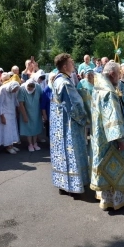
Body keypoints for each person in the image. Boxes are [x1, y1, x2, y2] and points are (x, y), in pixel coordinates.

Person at [90, 62, 124, 210]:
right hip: (111, 139)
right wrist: (120, 139)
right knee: (117, 166)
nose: (119, 77)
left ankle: (105, 198)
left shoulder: (98, 88)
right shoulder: (109, 92)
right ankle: (116, 200)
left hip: (99, 136)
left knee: (104, 165)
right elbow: (112, 118)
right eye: (119, 74)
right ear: (113, 74)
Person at [50, 53, 89, 196]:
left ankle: (63, 185)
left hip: (58, 125)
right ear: (65, 66)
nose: (73, 64)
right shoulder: (65, 83)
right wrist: (85, 118)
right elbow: (74, 105)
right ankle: (73, 187)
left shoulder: (57, 79)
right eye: (71, 63)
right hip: (69, 125)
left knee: (62, 154)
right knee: (71, 153)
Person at [18, 79, 43, 152]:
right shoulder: (22, 89)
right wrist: (24, 115)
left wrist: (42, 111)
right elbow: (21, 104)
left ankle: (35, 143)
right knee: (28, 127)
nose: (30, 89)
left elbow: (41, 98)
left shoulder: (38, 87)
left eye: (32, 88)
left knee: (35, 127)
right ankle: (30, 144)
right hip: (26, 110)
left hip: (36, 111)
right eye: (29, 88)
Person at [0, 81, 20, 154]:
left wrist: (16, 112)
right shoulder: (2, 90)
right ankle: (8, 146)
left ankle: (11, 145)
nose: (15, 91)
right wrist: (2, 117)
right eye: (14, 90)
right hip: (4, 113)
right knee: (7, 130)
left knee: (12, 129)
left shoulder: (14, 91)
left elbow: (15, 101)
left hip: (11, 112)